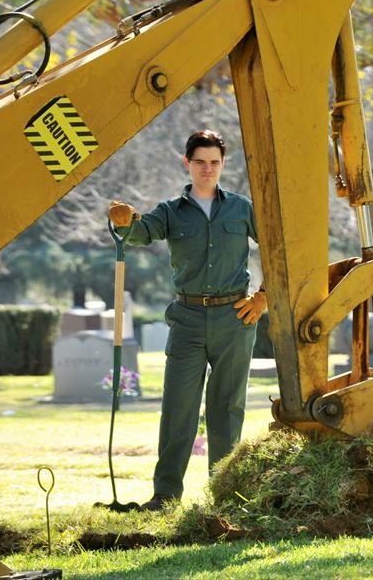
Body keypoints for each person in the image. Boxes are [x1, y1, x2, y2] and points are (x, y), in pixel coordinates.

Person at [108, 129, 267, 511]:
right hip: (188, 318)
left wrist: (264, 298)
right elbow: (140, 233)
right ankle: (165, 496)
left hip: (235, 317)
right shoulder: (170, 211)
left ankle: (224, 497)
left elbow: (278, 250)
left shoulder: (242, 208)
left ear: (222, 164)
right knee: (178, 405)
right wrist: (125, 221)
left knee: (227, 408)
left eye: (214, 162)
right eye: (200, 162)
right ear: (188, 163)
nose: (207, 169)